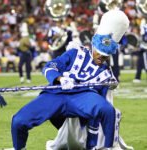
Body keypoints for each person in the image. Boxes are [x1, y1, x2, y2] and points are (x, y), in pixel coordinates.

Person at [11, 10, 129, 150]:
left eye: (105, 56)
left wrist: (91, 144)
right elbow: (50, 66)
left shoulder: (105, 74)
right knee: (18, 121)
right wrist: (61, 79)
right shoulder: (74, 52)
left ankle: (109, 148)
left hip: (84, 95)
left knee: (108, 111)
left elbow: (97, 116)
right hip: (57, 93)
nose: (101, 59)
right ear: (93, 45)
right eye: (100, 53)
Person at [133, 18, 147, 83]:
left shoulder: (145, 28)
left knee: (146, 65)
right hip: (142, 49)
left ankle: (137, 77)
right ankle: (137, 77)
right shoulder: (143, 29)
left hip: (145, 49)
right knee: (139, 63)